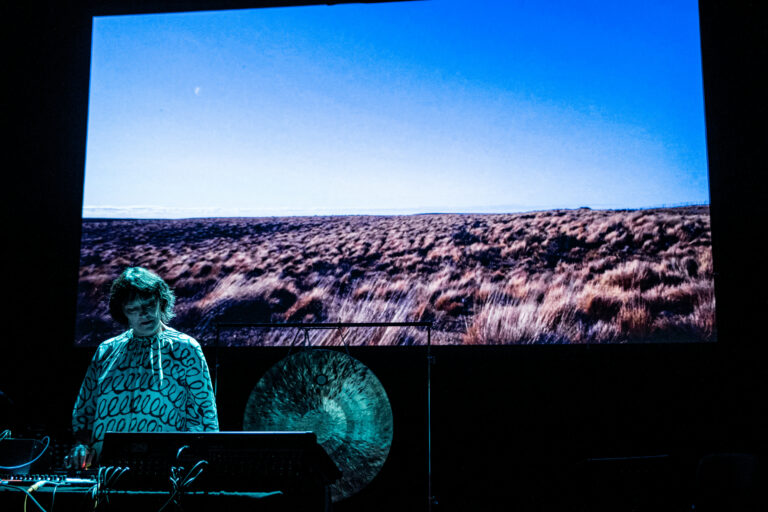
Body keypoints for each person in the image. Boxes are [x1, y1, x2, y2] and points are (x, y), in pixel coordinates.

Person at [67, 267, 218, 469]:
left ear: (161, 301)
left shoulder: (186, 349)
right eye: (133, 309)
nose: (144, 314)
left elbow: (205, 417)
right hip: (106, 471)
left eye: (149, 304)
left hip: (164, 473)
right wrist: (81, 445)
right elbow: (85, 411)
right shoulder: (106, 351)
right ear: (122, 312)